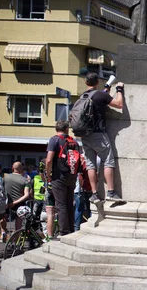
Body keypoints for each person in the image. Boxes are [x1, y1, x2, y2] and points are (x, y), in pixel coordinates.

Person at [79, 72, 124, 204]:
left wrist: (106, 92)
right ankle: (111, 192)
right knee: (108, 161)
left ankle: (94, 194)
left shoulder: (83, 96)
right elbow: (119, 104)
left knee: (91, 164)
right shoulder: (100, 95)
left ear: (86, 82)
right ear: (97, 82)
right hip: (99, 134)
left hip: (85, 135)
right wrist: (119, 89)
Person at [45, 121, 79, 236]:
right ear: (67, 129)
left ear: (56, 129)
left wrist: (48, 173)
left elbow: (49, 159)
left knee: (61, 204)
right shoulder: (73, 141)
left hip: (58, 176)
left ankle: (64, 231)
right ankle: (71, 229)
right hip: (72, 176)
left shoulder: (54, 140)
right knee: (70, 203)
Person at [3, 161, 32, 231]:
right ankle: (17, 238)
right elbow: (27, 195)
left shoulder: (5, 178)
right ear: (21, 169)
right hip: (19, 204)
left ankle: (3, 234)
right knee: (18, 223)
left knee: (3, 217)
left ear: (12, 168)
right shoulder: (25, 181)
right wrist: (14, 203)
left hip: (6, 202)